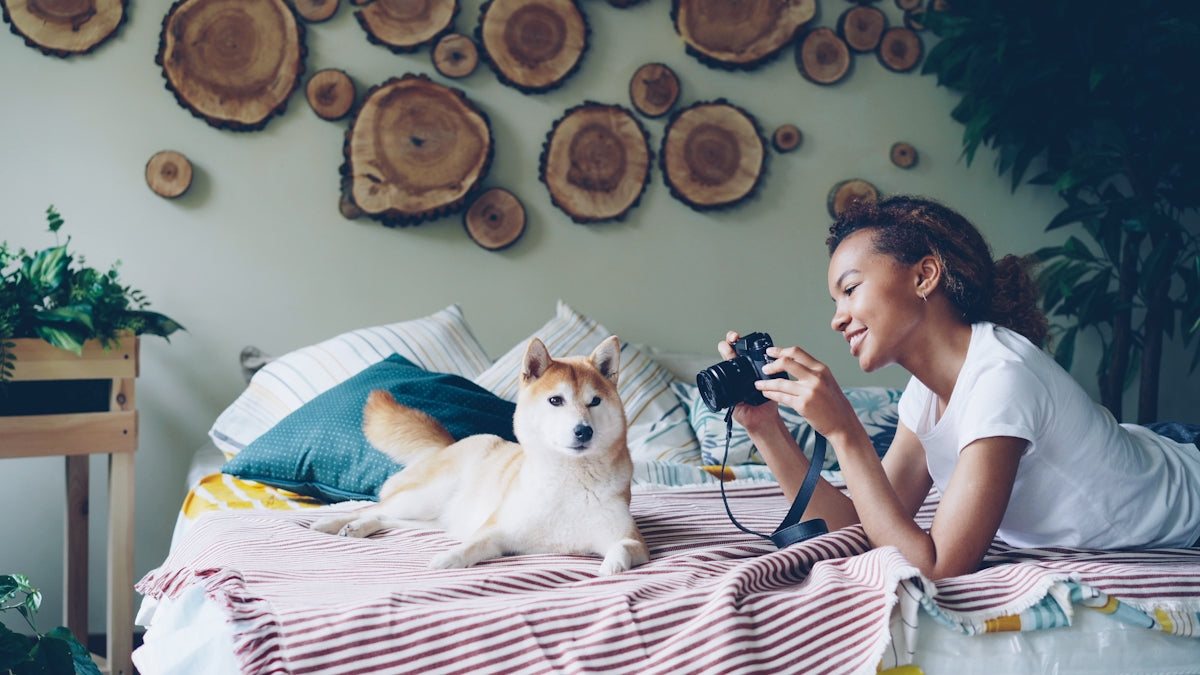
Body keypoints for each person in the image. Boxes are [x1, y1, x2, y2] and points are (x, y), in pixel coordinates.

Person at [719, 195, 1200, 579]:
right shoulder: (925, 392)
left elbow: (937, 567)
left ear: (924, 275)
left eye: (850, 289)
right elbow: (863, 528)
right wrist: (767, 431)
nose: (837, 317)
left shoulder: (1002, 377)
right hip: (1149, 445)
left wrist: (846, 432)